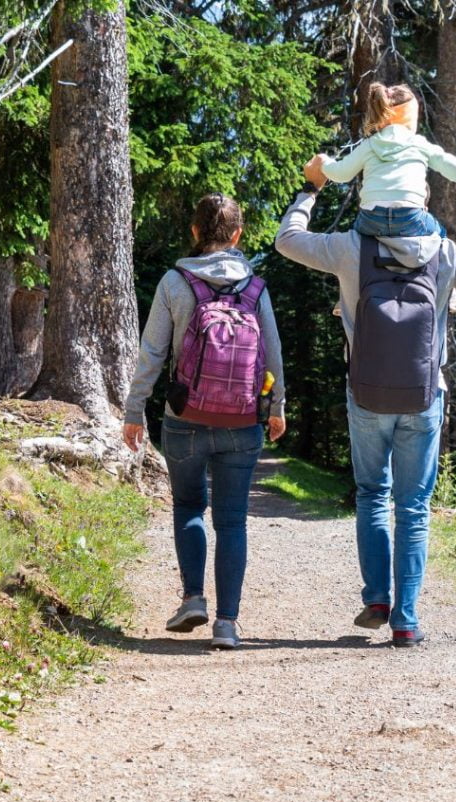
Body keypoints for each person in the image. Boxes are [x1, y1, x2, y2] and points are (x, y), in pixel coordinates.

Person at [274, 165, 456, 647]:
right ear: (422, 202)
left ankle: (376, 600)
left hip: (365, 393)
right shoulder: (444, 252)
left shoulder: (349, 247)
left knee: (372, 494)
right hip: (423, 394)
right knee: (413, 507)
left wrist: (311, 187)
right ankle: (405, 620)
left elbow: (287, 240)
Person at [123, 193, 286, 650]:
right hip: (242, 420)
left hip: (185, 416)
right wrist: (277, 406)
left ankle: (193, 598)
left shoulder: (175, 282)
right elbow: (273, 352)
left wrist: (135, 410)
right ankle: (227, 624)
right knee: (232, 521)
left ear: (195, 232)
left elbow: (152, 352)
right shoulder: (255, 287)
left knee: (189, 506)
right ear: (237, 236)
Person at [307, 82, 456, 315]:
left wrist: (324, 163)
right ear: (409, 117)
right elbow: (451, 165)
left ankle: (347, 297)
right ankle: (453, 294)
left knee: (355, 247)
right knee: (440, 238)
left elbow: (341, 174)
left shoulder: (370, 145)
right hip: (410, 217)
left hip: (372, 219)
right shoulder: (418, 144)